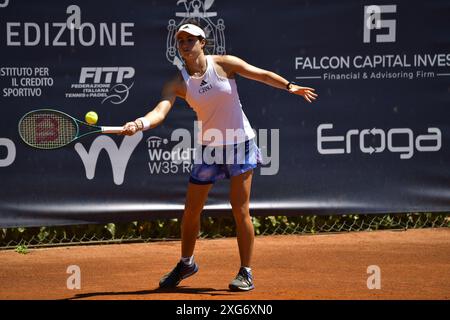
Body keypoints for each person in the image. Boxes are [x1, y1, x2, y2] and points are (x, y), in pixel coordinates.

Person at [121, 23, 318, 291]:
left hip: (240, 144)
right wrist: (140, 124)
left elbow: (261, 75)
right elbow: (160, 111)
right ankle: (186, 263)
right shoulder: (178, 82)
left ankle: (245, 272)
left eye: (190, 39)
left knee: (240, 210)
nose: (184, 44)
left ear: (203, 42)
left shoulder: (225, 64)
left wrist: (289, 86)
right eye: (180, 41)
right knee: (191, 211)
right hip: (209, 149)